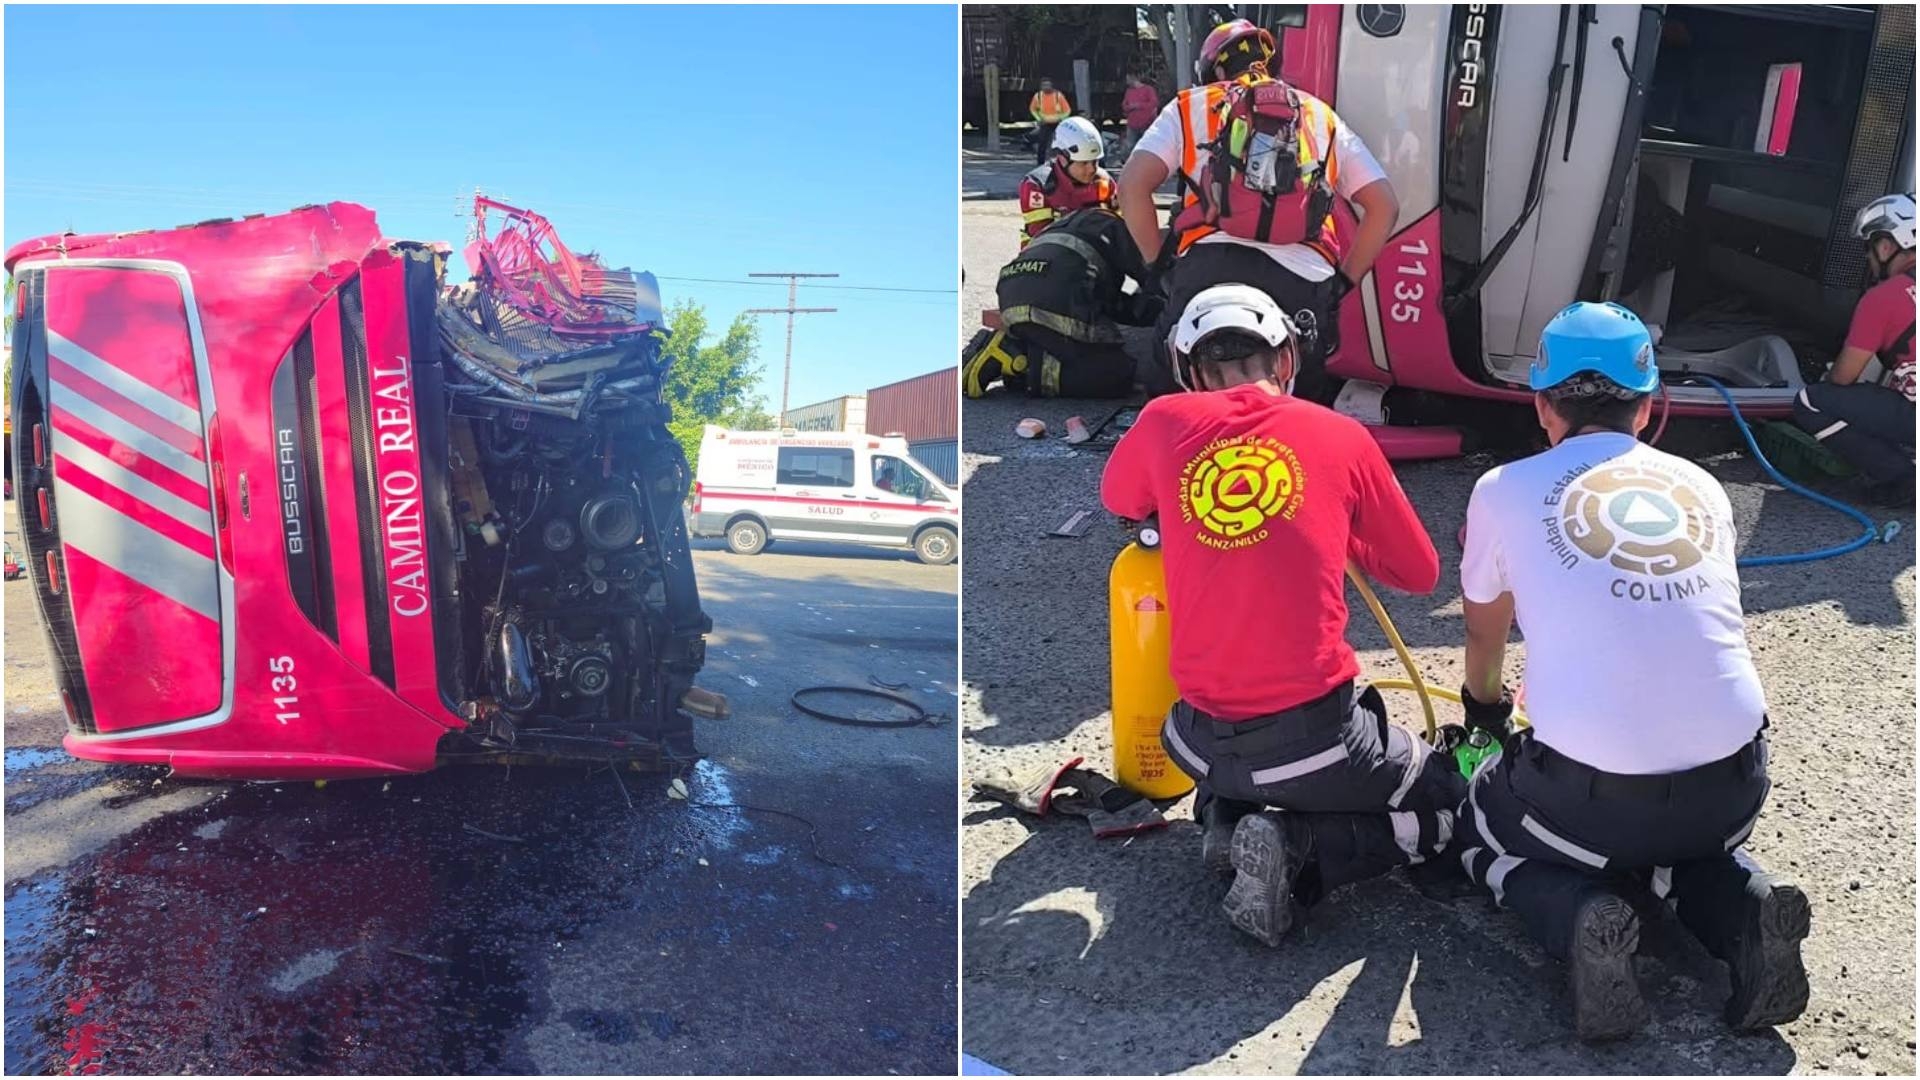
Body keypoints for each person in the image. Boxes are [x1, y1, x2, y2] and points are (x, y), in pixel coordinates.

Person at [1447, 301, 1809, 1041]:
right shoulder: (1704, 488)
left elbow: (1485, 643)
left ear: (1543, 405)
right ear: (1648, 408)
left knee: (1478, 825)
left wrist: (1482, 721)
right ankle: (1748, 908)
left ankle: (1578, 916)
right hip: (1734, 783)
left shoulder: (1503, 490)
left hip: (1591, 797)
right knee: (1674, 852)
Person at [1099, 285, 1461, 947]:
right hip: (1315, 741)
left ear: (1189, 369)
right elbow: (1420, 574)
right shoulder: (1341, 437)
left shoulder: (1160, 421)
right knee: (1448, 803)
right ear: (1286, 359)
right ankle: (1298, 848)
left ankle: (1226, 823)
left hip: (1195, 739)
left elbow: (1121, 498)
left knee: (1259, 757)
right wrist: (1335, 524)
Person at [1116, 19, 1400, 403]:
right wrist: (1341, 285)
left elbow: (1131, 186)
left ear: (1214, 68)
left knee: (1169, 392)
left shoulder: (1189, 107)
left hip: (1207, 268)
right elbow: (1384, 206)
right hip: (1301, 277)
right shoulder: (1320, 117)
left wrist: (1159, 269)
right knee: (1302, 405)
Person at [1791, 193, 1915, 506]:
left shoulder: (1883, 297)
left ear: (1887, 245)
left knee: (1810, 401)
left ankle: (1904, 479)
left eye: (1869, 248)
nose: (1868, 259)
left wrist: (1829, 372)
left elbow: (1843, 377)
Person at [965, 207, 1161, 399]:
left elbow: (1111, 303)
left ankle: (1015, 352)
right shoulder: (1119, 228)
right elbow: (1155, 276)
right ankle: (1022, 362)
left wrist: (1152, 312)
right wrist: (1171, 304)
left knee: (1056, 340)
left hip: (1012, 288)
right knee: (1118, 374)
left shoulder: (1069, 224)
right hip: (1057, 295)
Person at [1017, 117, 1116, 248]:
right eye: (1084, 163)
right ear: (1063, 158)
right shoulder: (1039, 186)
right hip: (1047, 258)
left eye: (1095, 162)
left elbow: (1119, 228)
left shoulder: (1104, 182)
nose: (1092, 169)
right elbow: (1041, 236)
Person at [1029, 78, 1072, 165]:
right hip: (1044, 123)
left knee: (1060, 143)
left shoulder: (1058, 96)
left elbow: (1067, 110)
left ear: (1051, 86)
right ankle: (1040, 164)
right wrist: (1039, 119)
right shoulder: (1038, 96)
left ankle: (1060, 163)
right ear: (1041, 87)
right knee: (1042, 144)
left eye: (1048, 85)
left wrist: (1061, 118)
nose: (1046, 87)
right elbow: (1032, 109)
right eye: (1044, 85)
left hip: (1057, 123)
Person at [1120, 72, 1160, 159]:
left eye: (1128, 79)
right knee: (1130, 145)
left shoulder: (1148, 89)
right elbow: (1124, 105)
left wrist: (1138, 105)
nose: (1127, 81)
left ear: (1133, 78)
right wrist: (1129, 107)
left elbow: (1154, 103)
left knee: (1147, 145)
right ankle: (1128, 162)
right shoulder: (1129, 91)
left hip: (1146, 123)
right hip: (1132, 124)